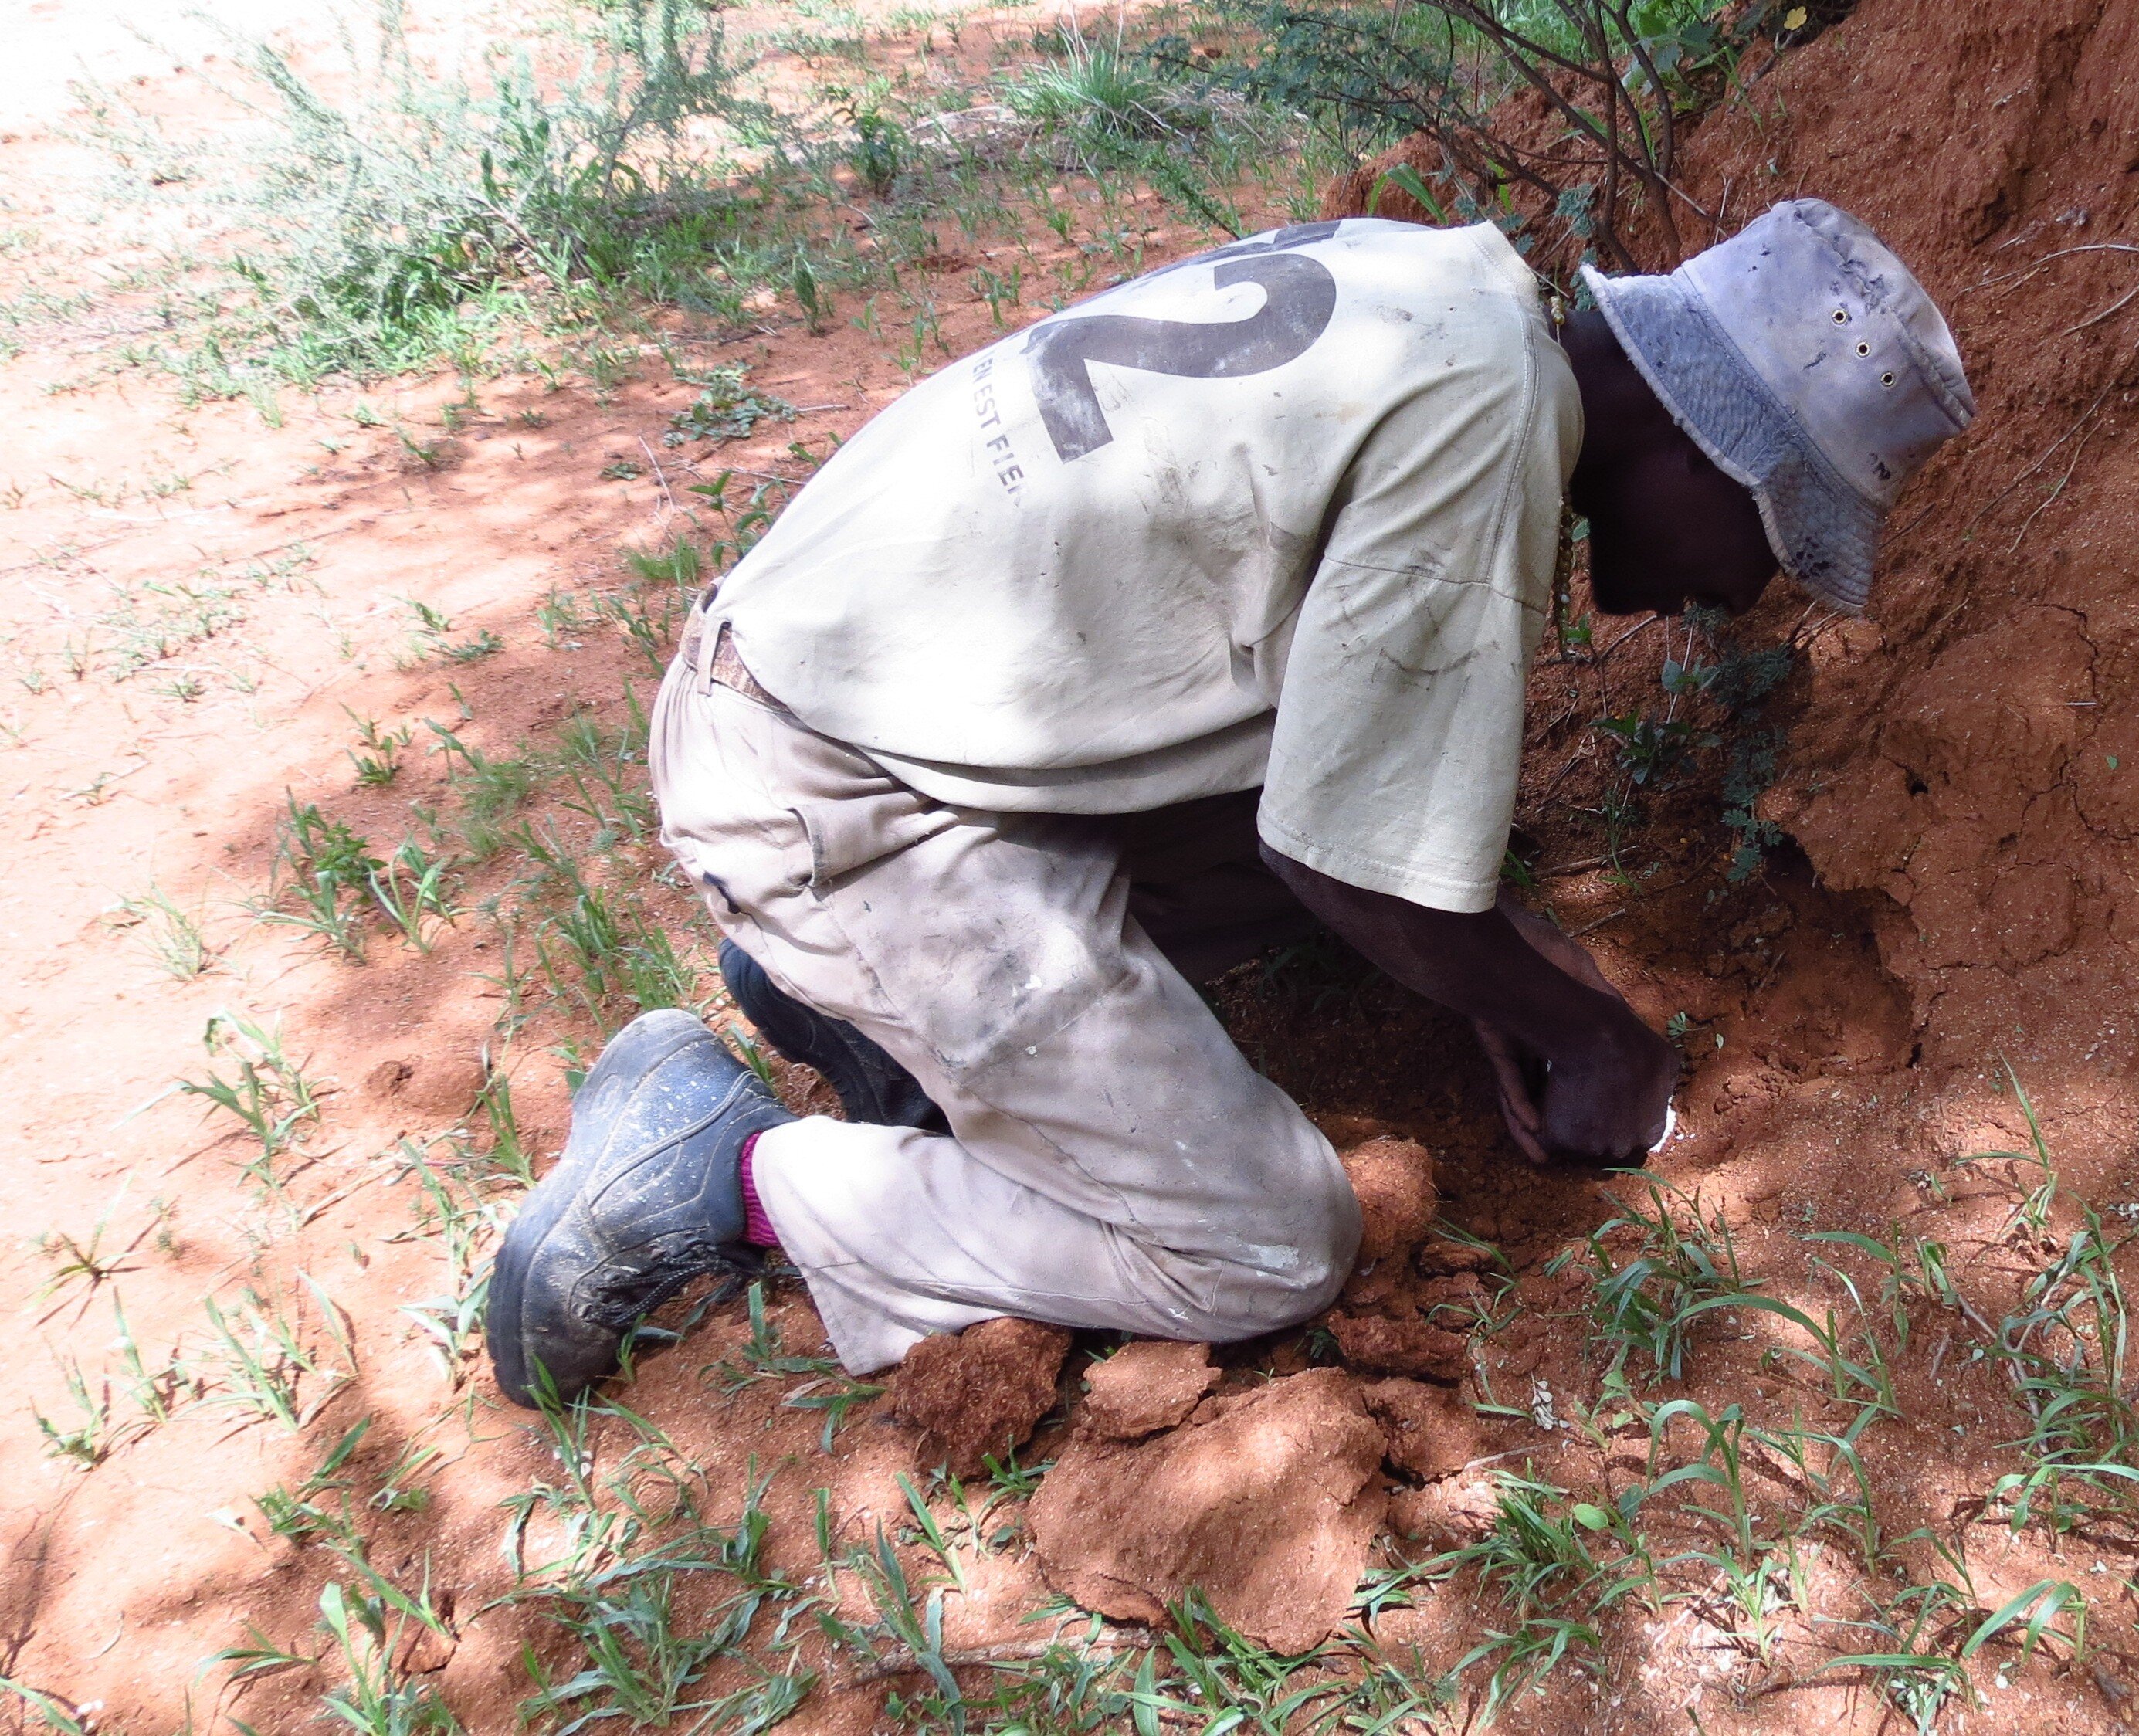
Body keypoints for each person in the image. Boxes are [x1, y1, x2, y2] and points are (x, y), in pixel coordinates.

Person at [486, 200, 1975, 1407]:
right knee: (1264, 1244)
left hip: (825, 694)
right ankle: (725, 1174)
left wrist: (1491, 956)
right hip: (844, 793)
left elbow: (1344, 795)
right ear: (1697, 443)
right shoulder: (1490, 442)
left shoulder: (1445, 289)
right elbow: (1357, 867)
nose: (1739, 590)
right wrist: (1594, 1035)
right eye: (1769, 535)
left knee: (1438, 842)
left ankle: (829, 989)